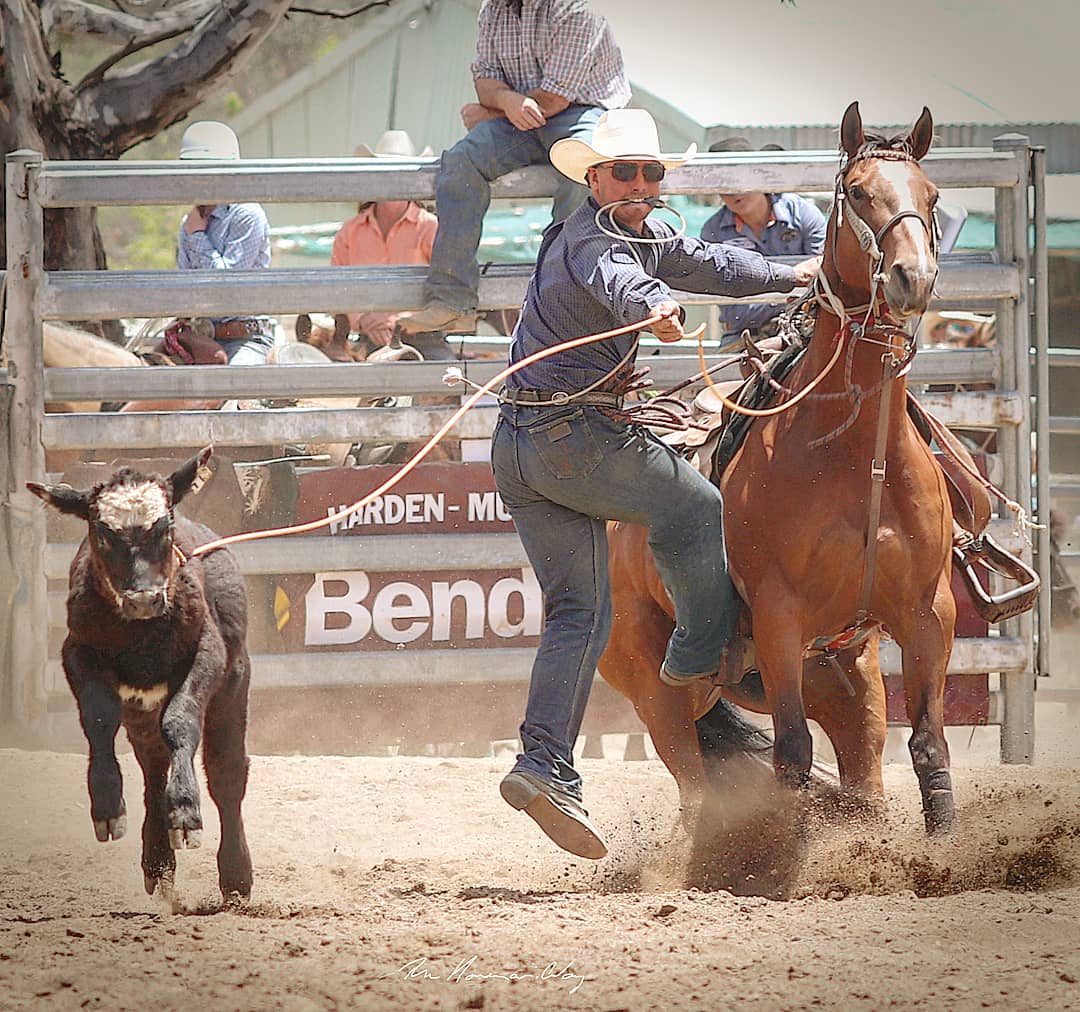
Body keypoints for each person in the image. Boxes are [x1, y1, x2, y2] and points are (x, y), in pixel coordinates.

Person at [490, 109, 820, 859]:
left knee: (579, 611)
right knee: (695, 506)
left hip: (520, 445)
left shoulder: (633, 232)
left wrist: (792, 272)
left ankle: (543, 764)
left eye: (650, 172)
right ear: (594, 177)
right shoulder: (595, 240)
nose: (640, 183)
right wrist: (654, 306)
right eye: (625, 172)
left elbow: (708, 264)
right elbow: (621, 279)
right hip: (574, 439)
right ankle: (702, 655)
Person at [399, 0, 631, 336]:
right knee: (461, 161)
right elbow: (484, 80)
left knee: (583, 164)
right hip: (517, 114)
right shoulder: (493, 9)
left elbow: (554, 98)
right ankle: (451, 300)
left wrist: (493, 111)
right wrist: (508, 103)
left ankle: (567, 296)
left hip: (581, 112)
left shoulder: (576, 9)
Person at [326, 130, 454, 361]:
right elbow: (335, 293)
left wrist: (396, 320)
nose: (394, 180)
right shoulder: (349, 232)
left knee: (445, 377)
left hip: (423, 336)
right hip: (369, 337)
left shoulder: (430, 227)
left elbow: (448, 289)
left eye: (401, 173)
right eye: (386, 172)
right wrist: (363, 319)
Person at [701, 137, 827, 341]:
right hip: (744, 337)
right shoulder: (712, 231)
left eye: (740, 179)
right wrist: (791, 288)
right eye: (722, 182)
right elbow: (735, 313)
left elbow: (823, 281)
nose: (732, 190)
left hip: (804, 329)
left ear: (759, 176)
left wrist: (762, 296)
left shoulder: (804, 214)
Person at [175, 120, 274, 365]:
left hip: (245, 337)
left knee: (235, 382)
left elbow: (225, 286)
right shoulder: (190, 222)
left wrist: (197, 236)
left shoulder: (246, 214)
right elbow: (184, 282)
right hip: (201, 336)